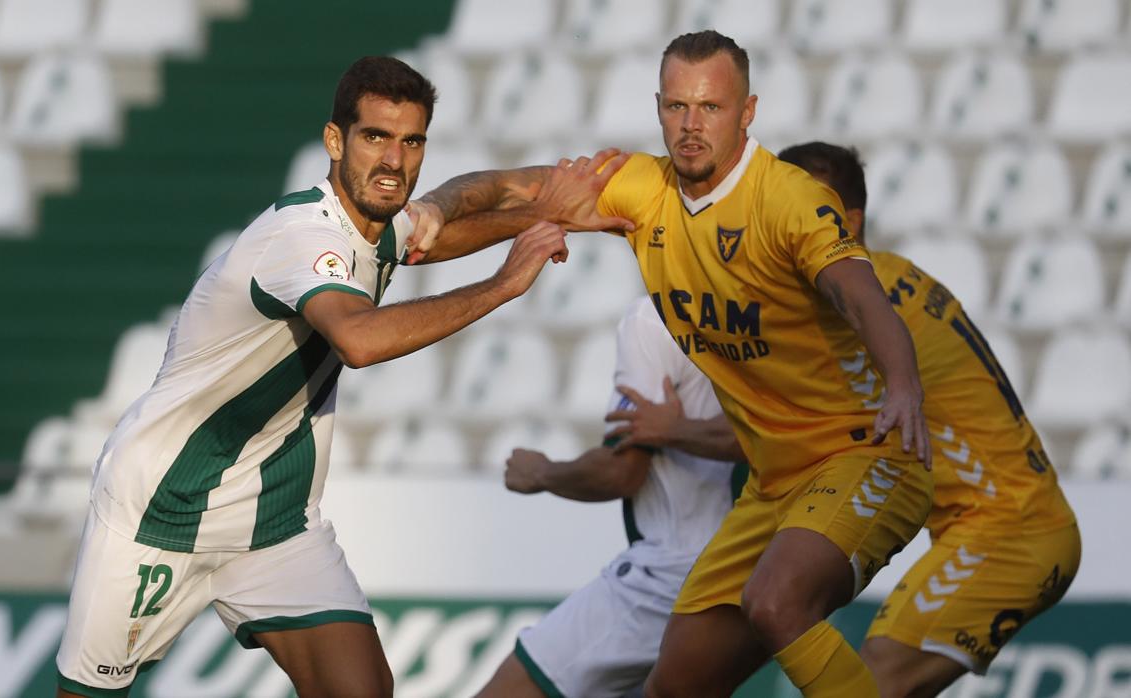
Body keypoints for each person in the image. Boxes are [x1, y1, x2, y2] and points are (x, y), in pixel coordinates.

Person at [53, 56, 629, 698]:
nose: (393, 160)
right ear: (335, 142)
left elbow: (465, 205)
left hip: (273, 518)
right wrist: (504, 282)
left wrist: (564, 199)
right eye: (375, 137)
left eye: (411, 142)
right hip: (160, 508)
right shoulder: (302, 236)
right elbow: (357, 340)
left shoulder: (372, 223)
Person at [413, 30, 934, 697]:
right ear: (658, 105)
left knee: (776, 603)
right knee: (674, 685)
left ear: (747, 113)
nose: (691, 126)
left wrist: (903, 380)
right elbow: (520, 191)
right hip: (771, 487)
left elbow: (859, 294)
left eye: (710, 108)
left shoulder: (788, 201)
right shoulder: (643, 189)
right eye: (677, 107)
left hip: (864, 455)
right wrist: (429, 215)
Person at [773, 142, 1082, 697]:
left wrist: (673, 431)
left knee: (870, 688)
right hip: (998, 525)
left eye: (798, 207)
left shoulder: (862, 307)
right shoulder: (890, 279)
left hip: (1006, 531)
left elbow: (788, 425)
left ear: (849, 221)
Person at [475, 296, 743, 698]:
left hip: (676, 569)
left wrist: (543, 472)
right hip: (760, 561)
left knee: (513, 689)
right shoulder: (777, 308)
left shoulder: (656, 317)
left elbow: (621, 472)